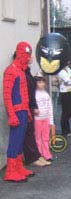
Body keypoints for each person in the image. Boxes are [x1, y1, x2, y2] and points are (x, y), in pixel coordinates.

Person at [3, 42, 36, 182]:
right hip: (16, 112)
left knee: (20, 140)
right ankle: (10, 171)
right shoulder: (10, 71)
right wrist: (11, 114)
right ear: (21, 55)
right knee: (15, 141)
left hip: (22, 111)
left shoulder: (20, 71)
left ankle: (18, 167)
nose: (29, 58)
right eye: (28, 55)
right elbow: (7, 95)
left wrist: (27, 111)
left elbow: (25, 94)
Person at [22, 55, 48, 167]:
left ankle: (36, 155)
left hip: (32, 108)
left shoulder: (27, 71)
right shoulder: (22, 72)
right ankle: (32, 157)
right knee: (30, 134)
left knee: (31, 134)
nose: (31, 57)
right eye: (28, 55)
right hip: (26, 108)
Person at [34, 75, 54, 162]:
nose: (41, 84)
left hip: (46, 118)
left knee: (45, 137)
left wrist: (51, 121)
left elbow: (50, 108)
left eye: (43, 82)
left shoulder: (46, 94)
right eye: (39, 82)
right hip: (37, 119)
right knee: (37, 137)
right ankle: (39, 154)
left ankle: (47, 154)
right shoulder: (34, 94)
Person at [58, 61, 71, 137]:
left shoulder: (68, 69)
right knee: (66, 112)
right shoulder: (61, 71)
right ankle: (65, 131)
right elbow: (69, 81)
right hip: (65, 93)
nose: (68, 62)